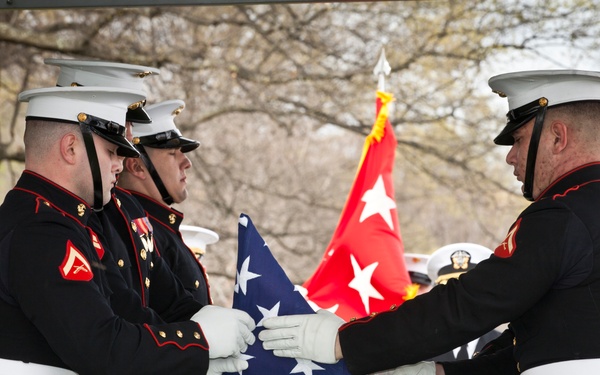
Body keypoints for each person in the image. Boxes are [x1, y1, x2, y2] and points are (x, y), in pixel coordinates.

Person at [258, 69, 600, 375]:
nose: (511, 156)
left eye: (519, 140)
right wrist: (438, 373)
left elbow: (471, 303)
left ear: (558, 137)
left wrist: (343, 342)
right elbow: (537, 345)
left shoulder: (565, 212)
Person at [0, 84, 254, 374]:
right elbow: (101, 346)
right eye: (111, 151)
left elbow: (128, 311)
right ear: (70, 148)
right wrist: (200, 341)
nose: (120, 165)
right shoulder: (39, 231)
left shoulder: (66, 223)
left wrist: (197, 353)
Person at [45, 58, 208, 324]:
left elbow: (170, 301)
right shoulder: (53, 216)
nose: (128, 137)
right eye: (119, 122)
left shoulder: (127, 207)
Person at [117, 99, 212, 305]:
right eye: (172, 153)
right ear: (137, 167)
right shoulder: (136, 229)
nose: (186, 163)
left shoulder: (159, 228)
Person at [425, 243, 501, 362]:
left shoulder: (505, 345)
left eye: (470, 292)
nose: (460, 300)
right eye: (451, 293)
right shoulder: (420, 346)